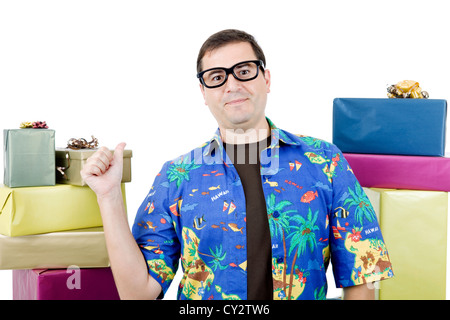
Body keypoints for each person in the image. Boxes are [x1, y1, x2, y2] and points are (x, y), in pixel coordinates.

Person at [80, 29, 393, 300]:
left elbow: (362, 271)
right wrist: (108, 197)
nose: (231, 84)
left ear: (266, 78)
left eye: (243, 70)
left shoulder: (325, 160)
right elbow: (138, 292)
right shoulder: (176, 175)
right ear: (204, 92)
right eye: (217, 77)